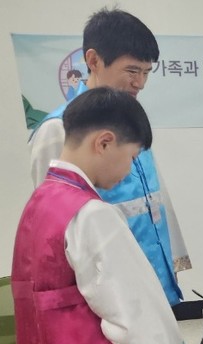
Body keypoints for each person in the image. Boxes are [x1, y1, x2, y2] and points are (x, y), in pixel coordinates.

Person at [11, 87, 193, 344]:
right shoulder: (91, 213)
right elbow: (136, 315)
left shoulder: (41, 201)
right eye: (132, 156)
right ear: (105, 142)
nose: (129, 170)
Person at [28, 7, 189, 306]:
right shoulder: (59, 131)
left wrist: (172, 264)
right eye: (132, 71)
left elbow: (154, 197)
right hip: (108, 295)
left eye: (146, 73)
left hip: (155, 278)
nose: (140, 83)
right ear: (93, 61)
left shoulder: (130, 118)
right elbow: (53, 229)